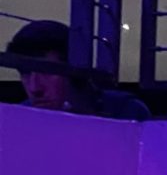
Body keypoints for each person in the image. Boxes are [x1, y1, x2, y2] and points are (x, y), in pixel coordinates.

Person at [5, 17, 149, 119]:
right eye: (25, 73)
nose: (35, 87)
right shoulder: (19, 117)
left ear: (73, 69)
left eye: (46, 71)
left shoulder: (125, 111)